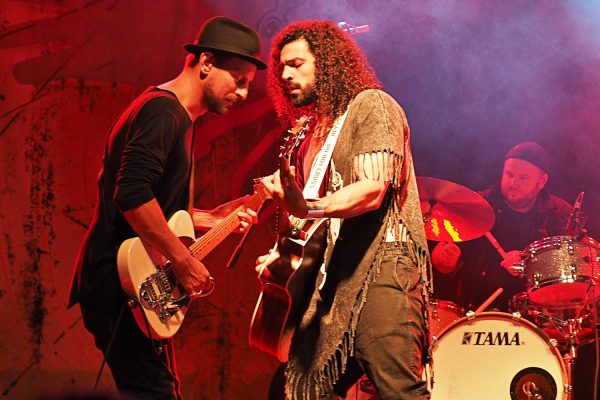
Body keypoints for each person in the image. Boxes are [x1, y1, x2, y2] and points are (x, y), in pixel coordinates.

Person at [68, 16, 266, 399]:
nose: (242, 94)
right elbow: (131, 196)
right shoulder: (164, 113)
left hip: (137, 283)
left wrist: (215, 218)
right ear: (206, 63)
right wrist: (184, 261)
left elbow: (158, 206)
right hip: (121, 283)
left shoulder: (176, 116)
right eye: (238, 80)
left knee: (158, 390)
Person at [258, 20, 432, 399]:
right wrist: (282, 257)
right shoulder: (310, 133)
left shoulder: (371, 105)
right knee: (295, 389)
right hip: (333, 279)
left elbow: (371, 191)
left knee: (399, 391)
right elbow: (311, 223)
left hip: (383, 270)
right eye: (281, 67)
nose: (285, 75)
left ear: (328, 62)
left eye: (297, 64)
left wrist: (308, 206)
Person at [431, 141, 573, 312]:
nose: (513, 183)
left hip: (537, 315)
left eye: (523, 178)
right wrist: (443, 264)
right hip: (475, 310)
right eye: (509, 174)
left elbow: (569, 269)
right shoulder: (475, 205)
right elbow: (446, 268)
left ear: (541, 181)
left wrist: (529, 263)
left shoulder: (560, 214)